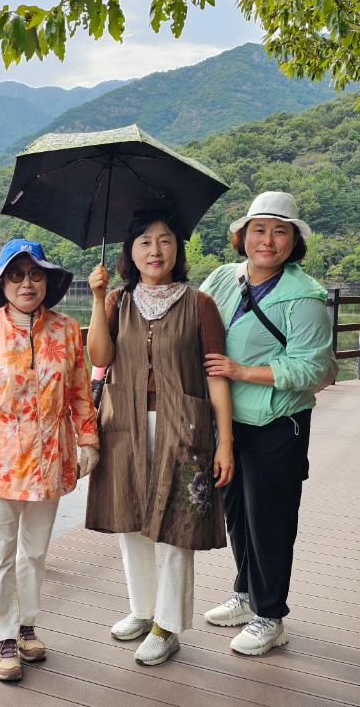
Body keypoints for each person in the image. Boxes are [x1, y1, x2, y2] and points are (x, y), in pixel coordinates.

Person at [85, 211, 234, 667]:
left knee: (177, 527)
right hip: (124, 424)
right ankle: (143, 610)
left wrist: (225, 441)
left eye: (165, 240)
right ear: (130, 252)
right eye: (145, 242)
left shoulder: (200, 303)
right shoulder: (117, 300)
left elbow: (216, 375)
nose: (155, 250)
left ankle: (167, 626)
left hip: (184, 427)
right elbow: (99, 356)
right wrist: (97, 298)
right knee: (129, 520)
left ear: (177, 249)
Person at [0, 238, 100, 682]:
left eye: (35, 274)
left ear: (47, 281)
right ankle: (2, 638)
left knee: (34, 551)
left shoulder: (67, 330)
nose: (26, 284)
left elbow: (79, 390)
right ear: (2, 283)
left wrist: (88, 440)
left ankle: (26, 625)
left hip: (51, 456)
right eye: (16, 276)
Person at [198, 191, 335, 656]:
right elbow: (193, 324)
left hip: (277, 425)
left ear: (294, 241)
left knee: (269, 521)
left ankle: (271, 616)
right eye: (259, 229)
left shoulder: (305, 297)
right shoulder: (223, 278)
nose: (268, 240)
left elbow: (315, 369)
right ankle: (245, 592)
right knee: (237, 514)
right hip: (226, 423)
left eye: (280, 232)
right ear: (242, 235)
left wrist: (242, 371)